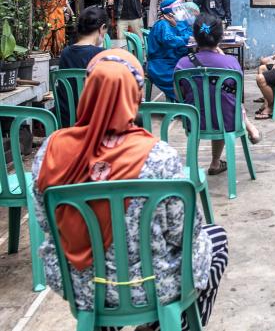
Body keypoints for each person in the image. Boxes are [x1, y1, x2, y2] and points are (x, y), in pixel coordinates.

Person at [32, 50, 228, 330]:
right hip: (150, 286)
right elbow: (185, 231)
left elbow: (45, 222)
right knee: (215, 239)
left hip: (82, 287)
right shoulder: (158, 157)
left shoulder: (50, 151)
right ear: (134, 97)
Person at [175, 14, 261, 175]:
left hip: (194, 122)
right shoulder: (230, 62)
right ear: (220, 37)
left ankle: (194, 167)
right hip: (227, 121)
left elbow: (178, 93)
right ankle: (215, 162)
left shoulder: (182, 64)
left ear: (195, 37)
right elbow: (236, 91)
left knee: (212, 107)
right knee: (222, 106)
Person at [55, 7, 108, 128]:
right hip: (97, 123)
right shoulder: (103, 55)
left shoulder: (65, 53)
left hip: (67, 121)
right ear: (102, 28)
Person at [147, 0, 193, 100]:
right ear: (170, 13)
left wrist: (176, 27)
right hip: (160, 66)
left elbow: (183, 36)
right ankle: (184, 102)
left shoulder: (172, 24)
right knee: (187, 78)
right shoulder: (162, 25)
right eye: (177, 9)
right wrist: (186, 38)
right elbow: (170, 40)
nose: (180, 11)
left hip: (170, 61)